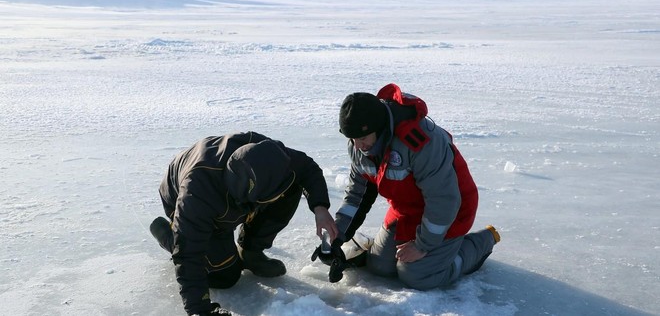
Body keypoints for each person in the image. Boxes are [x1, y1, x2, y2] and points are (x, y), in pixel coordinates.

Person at [323, 83, 500, 290]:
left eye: (362, 138)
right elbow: (357, 195)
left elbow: (444, 200)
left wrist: (422, 245)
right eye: (352, 139)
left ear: (378, 127)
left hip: (449, 211)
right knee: (380, 267)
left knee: (417, 276)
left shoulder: (420, 142)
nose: (358, 146)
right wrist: (338, 236)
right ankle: (437, 251)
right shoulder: (359, 145)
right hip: (406, 209)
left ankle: (480, 243)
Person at [150, 131, 338, 316]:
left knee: (291, 186)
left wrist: (320, 208)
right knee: (225, 276)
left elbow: (307, 168)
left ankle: (251, 251)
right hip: (180, 196)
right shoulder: (197, 194)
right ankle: (166, 232)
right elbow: (188, 252)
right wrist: (199, 310)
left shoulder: (270, 155)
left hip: (230, 183)